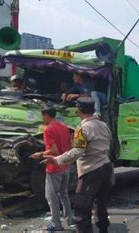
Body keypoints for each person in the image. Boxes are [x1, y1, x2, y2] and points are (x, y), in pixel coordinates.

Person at [42, 97, 113, 233]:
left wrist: (56, 159)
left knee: (81, 210)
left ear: (79, 110)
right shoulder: (103, 125)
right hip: (106, 167)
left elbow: (77, 152)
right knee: (100, 204)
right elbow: (109, 142)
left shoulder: (83, 128)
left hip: (91, 171)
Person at [30, 107, 74, 231]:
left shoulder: (48, 129)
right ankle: (70, 220)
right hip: (66, 165)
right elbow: (70, 146)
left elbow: (53, 150)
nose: (42, 119)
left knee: (51, 196)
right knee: (64, 194)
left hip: (54, 167)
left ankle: (56, 224)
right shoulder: (64, 126)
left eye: (42, 116)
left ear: (47, 116)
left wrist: (40, 154)